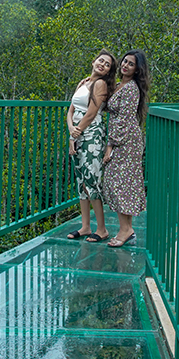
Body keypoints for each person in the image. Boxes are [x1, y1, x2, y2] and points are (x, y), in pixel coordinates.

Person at [66, 49, 117, 242]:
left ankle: (102, 229)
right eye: (101, 61)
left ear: (108, 72)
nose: (102, 65)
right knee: (81, 180)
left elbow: (91, 113)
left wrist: (75, 134)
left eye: (107, 65)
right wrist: (71, 130)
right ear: (93, 61)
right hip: (77, 132)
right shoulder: (84, 82)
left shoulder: (100, 84)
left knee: (92, 179)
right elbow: (71, 110)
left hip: (92, 134)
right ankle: (85, 226)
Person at [101, 49, 150, 248]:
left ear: (137, 69)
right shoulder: (121, 85)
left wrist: (110, 146)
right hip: (124, 140)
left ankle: (125, 230)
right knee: (124, 182)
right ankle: (127, 229)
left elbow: (124, 119)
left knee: (119, 183)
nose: (125, 65)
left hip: (125, 141)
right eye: (124, 61)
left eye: (131, 64)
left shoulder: (131, 88)